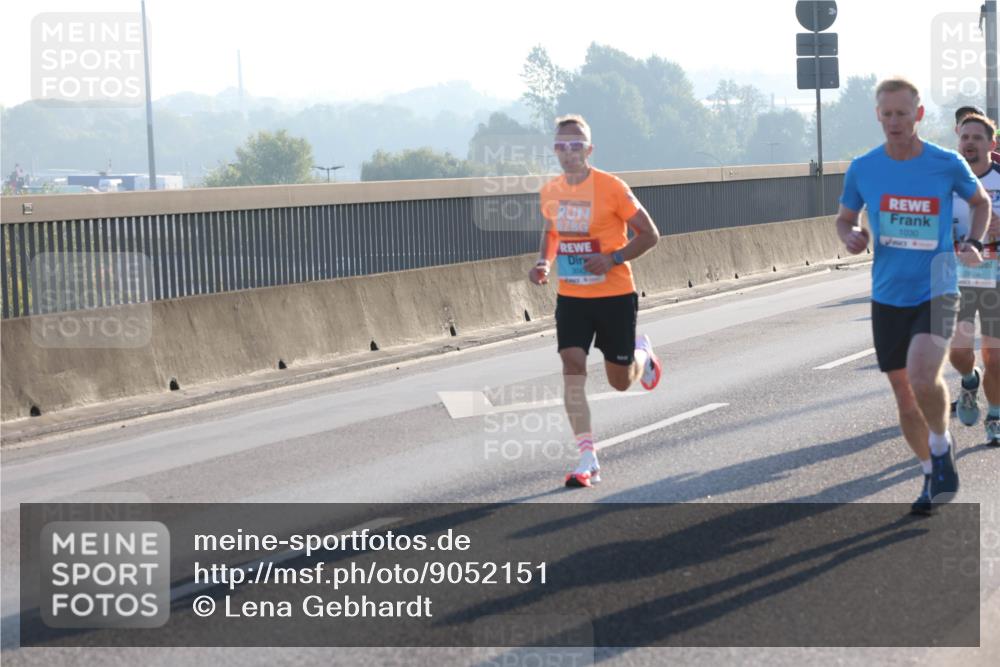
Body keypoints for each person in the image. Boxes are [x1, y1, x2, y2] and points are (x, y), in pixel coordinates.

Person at [837, 78, 991, 515]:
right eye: (886, 114)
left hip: (938, 286)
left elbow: (980, 203)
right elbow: (845, 217)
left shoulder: (945, 163)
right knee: (904, 396)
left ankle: (940, 445)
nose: (894, 121)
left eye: (902, 113)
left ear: (919, 116)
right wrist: (851, 234)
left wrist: (975, 244)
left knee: (924, 377)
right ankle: (931, 470)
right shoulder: (864, 167)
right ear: (877, 116)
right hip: (888, 294)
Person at [529, 114, 662, 488]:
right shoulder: (551, 191)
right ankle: (588, 456)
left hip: (615, 295)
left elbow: (650, 234)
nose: (568, 153)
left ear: (589, 150)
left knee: (620, 381)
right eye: (560, 146)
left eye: (576, 146)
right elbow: (551, 231)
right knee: (572, 366)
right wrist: (544, 262)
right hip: (572, 297)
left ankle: (643, 356)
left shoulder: (612, 188)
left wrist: (613, 258)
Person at [950, 112, 1000, 447]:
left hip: (996, 275)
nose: (969, 143)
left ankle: (994, 418)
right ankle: (969, 383)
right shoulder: (947, 181)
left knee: (994, 355)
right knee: (958, 352)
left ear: (991, 144)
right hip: (957, 277)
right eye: (964, 137)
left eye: (977, 137)